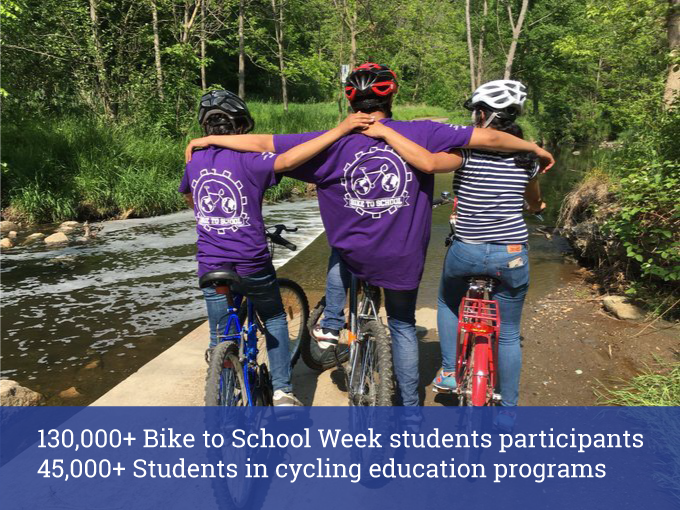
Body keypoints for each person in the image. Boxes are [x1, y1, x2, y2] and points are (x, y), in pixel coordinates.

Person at [185, 65, 554, 407]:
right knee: (403, 325)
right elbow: (488, 138)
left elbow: (266, 144)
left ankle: (331, 323)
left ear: (350, 100)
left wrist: (209, 143)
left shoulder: (328, 141)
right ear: (390, 99)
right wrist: (533, 148)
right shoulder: (423, 132)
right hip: (403, 257)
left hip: (352, 254)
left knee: (340, 256)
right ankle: (409, 411)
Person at [180, 89, 374, 406]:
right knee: (273, 318)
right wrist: (340, 130)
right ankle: (283, 390)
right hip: (250, 261)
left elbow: (190, 198)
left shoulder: (194, 160)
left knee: (221, 333)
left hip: (211, 262)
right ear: (241, 128)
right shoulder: (250, 158)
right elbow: (289, 158)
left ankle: (223, 380)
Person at [365, 80, 545, 411]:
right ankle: (508, 411)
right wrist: (536, 207)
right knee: (508, 334)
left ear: (483, 115)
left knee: (448, 302)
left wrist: (387, 133)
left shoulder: (465, 152)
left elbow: (428, 163)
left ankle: (449, 371)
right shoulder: (528, 158)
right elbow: (533, 201)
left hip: (467, 249)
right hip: (512, 253)